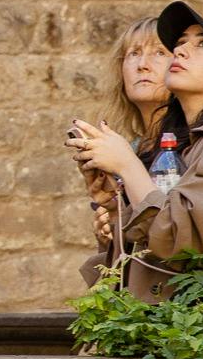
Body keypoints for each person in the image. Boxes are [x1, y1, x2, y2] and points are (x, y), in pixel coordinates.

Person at [68, 1, 203, 300]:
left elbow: (180, 244)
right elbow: (156, 256)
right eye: (180, 43)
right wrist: (119, 210)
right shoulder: (201, 140)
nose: (180, 51)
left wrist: (128, 166)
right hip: (177, 332)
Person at [70, 19, 171, 287]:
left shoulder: (189, 145)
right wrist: (112, 227)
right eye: (133, 53)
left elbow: (177, 234)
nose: (143, 65)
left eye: (159, 53)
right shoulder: (133, 148)